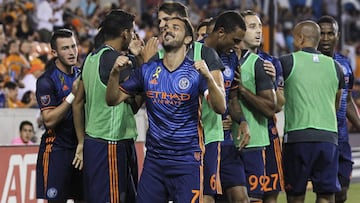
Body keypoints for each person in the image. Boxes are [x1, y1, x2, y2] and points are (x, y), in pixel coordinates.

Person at [106, 16, 226, 203]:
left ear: (188, 39)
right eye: (165, 27)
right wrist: (114, 74)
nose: (167, 29)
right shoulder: (147, 70)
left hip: (187, 161)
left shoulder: (196, 73)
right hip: (155, 161)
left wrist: (210, 78)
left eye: (175, 27)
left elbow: (220, 107)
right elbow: (112, 100)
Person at [144, 2, 226, 202]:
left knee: (205, 197)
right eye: (161, 23)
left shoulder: (205, 53)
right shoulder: (158, 54)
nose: (163, 27)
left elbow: (219, 97)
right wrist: (144, 62)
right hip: (165, 147)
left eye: (168, 21)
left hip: (205, 137)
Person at [72, 10, 138, 203]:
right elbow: (135, 103)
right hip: (111, 141)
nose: (133, 37)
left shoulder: (90, 59)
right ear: (125, 33)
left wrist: (81, 141)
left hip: (93, 142)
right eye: (132, 32)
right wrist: (143, 59)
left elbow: (77, 104)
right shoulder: (115, 61)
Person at [279, 20, 344, 203]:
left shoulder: (287, 62)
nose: (292, 41)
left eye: (293, 37)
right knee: (326, 195)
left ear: (300, 38)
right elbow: (336, 104)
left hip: (298, 137)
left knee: (296, 196)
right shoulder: (335, 67)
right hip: (328, 138)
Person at [239, 10, 285, 203]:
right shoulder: (224, 60)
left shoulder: (271, 62)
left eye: (259, 26)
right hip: (236, 136)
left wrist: (273, 83)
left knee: (268, 194)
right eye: (252, 27)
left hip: (266, 133)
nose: (259, 31)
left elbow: (279, 104)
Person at [35, 28, 84, 202]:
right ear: (54, 52)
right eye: (65, 48)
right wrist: (72, 96)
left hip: (81, 150)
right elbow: (48, 120)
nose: (71, 52)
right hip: (56, 150)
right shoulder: (46, 80)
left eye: (73, 46)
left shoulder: (82, 74)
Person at [317, 15, 360, 203]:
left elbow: (348, 100)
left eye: (330, 33)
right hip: (319, 137)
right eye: (322, 34)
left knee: (342, 192)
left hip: (341, 138)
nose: (325, 38)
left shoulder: (344, 64)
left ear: (337, 35)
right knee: (325, 193)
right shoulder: (305, 62)